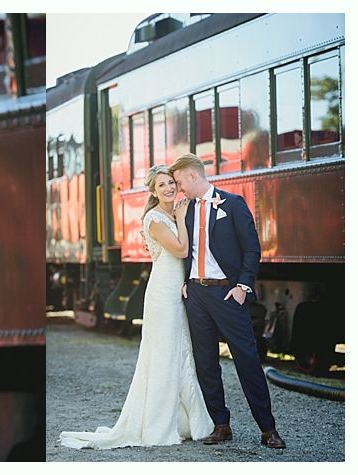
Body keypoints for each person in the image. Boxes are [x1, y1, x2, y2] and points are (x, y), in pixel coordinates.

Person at [59, 165, 214, 449]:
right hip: (162, 293)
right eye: (162, 185)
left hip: (176, 290)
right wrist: (180, 218)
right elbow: (180, 250)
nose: (169, 188)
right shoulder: (156, 218)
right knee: (164, 355)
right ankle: (157, 424)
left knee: (180, 351)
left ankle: (186, 421)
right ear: (153, 192)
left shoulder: (171, 212)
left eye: (171, 182)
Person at [169, 153, 285, 449]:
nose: (179, 189)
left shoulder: (232, 204)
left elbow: (251, 249)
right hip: (196, 295)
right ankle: (221, 425)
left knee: (246, 359)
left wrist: (243, 287)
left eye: (180, 182)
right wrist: (185, 281)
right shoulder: (185, 210)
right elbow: (184, 250)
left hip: (227, 294)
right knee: (205, 363)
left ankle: (268, 428)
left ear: (193, 176)